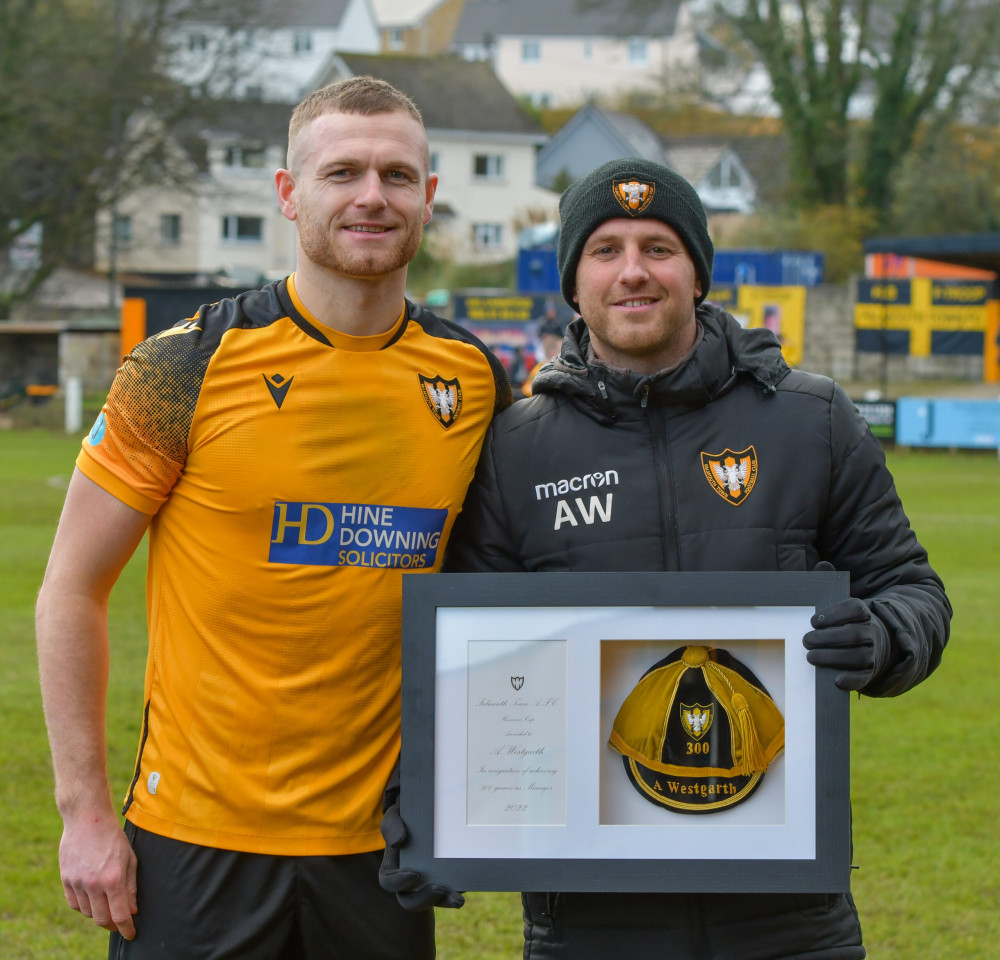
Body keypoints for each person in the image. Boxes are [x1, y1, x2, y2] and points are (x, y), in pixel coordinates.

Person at [410, 157, 951, 958]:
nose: (634, 272)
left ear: (697, 272)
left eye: (659, 247)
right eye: (606, 250)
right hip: (587, 913)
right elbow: (464, 675)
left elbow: (914, 589)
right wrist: (436, 810)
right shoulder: (514, 448)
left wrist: (882, 636)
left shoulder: (811, 420)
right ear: (574, 282)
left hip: (788, 907)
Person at [35, 76, 510, 959]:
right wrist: (85, 814)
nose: (373, 195)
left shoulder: (473, 376)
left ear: (430, 199)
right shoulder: (182, 367)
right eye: (342, 172)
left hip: (380, 849)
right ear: (289, 195)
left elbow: (504, 586)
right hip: (194, 840)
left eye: (398, 176)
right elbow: (70, 590)